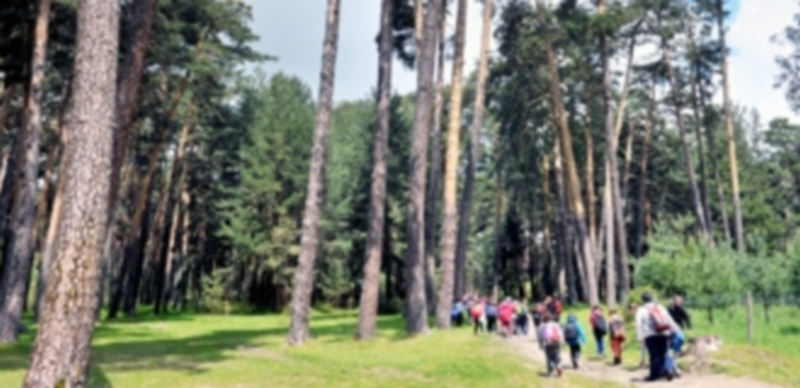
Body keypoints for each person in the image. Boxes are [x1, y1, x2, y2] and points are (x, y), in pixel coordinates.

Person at [636, 292, 681, 382]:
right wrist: (677, 329)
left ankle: (654, 375)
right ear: (651, 299)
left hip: (650, 334)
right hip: (664, 333)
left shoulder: (641, 310)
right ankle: (667, 371)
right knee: (663, 353)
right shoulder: (660, 307)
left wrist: (640, 336)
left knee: (654, 355)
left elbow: (639, 324)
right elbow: (669, 319)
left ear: (643, 300)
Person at [539, 313, 564, 378]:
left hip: (549, 343)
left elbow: (542, 336)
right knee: (557, 356)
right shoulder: (556, 324)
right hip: (558, 342)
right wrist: (562, 341)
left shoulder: (544, 325)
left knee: (549, 358)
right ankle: (559, 366)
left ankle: (550, 372)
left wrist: (541, 345)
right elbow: (561, 333)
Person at [629, 301, 647, 369]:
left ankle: (643, 362)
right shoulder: (642, 310)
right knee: (644, 348)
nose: (631, 313)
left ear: (633, 309)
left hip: (645, 334)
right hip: (648, 332)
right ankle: (642, 362)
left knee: (644, 348)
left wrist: (640, 337)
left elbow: (640, 326)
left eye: (631, 311)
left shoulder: (638, 314)